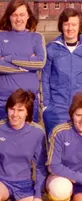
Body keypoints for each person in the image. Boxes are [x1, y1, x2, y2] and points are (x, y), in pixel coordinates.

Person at [0, 0, 46, 123]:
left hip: (29, 98)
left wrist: (9, 58)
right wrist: (27, 64)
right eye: (14, 15)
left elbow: (40, 62)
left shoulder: (36, 37)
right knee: (2, 138)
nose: (18, 19)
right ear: (9, 16)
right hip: (3, 98)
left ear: (28, 16)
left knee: (29, 138)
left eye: (22, 14)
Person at [45, 92, 82, 201]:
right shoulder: (60, 131)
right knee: (60, 187)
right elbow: (53, 166)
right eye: (78, 115)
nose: (81, 119)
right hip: (61, 177)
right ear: (72, 114)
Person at [42, 8, 82, 136]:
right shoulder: (51, 49)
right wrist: (46, 107)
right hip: (56, 109)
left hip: (80, 108)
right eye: (66, 24)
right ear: (61, 26)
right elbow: (45, 78)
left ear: (79, 26)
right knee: (56, 149)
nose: (70, 28)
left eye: (74, 24)